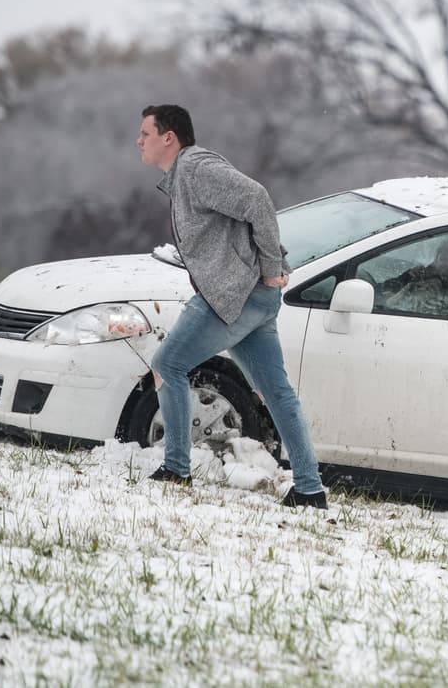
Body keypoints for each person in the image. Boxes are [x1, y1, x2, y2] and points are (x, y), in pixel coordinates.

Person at [137, 103, 327, 509]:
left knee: (167, 363)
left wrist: (273, 266)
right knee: (277, 392)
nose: (139, 142)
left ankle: (175, 469)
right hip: (253, 296)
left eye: (145, 134)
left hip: (235, 296)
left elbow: (257, 198)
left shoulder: (195, 167)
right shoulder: (185, 175)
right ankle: (310, 490)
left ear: (168, 137)